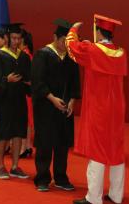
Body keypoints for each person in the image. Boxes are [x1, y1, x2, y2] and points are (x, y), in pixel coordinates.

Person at [67, 16, 128, 204]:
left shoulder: (92, 50)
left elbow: (72, 47)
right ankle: (116, 195)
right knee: (116, 149)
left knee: (97, 150)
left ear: (99, 32)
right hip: (116, 108)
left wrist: (73, 30)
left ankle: (93, 198)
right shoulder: (121, 53)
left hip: (99, 107)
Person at [31, 19, 80, 192]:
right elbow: (37, 81)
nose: (66, 46)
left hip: (64, 108)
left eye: (68, 43)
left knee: (62, 144)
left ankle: (61, 177)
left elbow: (75, 82)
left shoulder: (71, 58)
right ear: (54, 38)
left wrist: (72, 101)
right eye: (63, 41)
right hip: (46, 106)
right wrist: (52, 99)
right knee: (45, 144)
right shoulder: (42, 54)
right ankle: (42, 178)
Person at [0, 22, 31, 180]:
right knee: (4, 134)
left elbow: (28, 77)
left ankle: (15, 166)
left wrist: (29, 83)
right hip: (4, 101)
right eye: (13, 38)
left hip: (19, 100)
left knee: (18, 133)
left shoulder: (24, 57)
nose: (16, 41)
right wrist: (7, 79)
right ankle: (0, 166)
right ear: (7, 38)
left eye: (19, 38)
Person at [20, 28, 34, 159]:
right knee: (27, 120)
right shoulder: (30, 55)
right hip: (28, 93)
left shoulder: (24, 56)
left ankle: (24, 147)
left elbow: (27, 78)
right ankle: (28, 146)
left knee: (24, 120)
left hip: (24, 92)